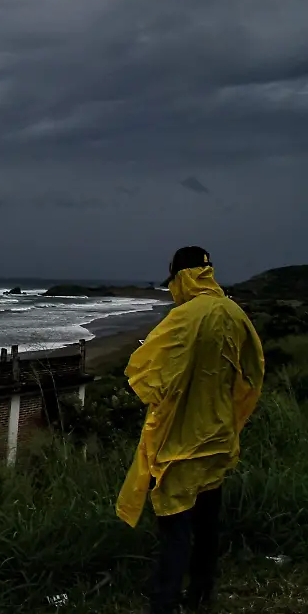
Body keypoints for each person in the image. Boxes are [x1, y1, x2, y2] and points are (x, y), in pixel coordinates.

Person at [116, 247, 264, 613]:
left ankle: (165, 603)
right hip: (218, 436)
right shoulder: (234, 312)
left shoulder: (183, 318)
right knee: (208, 525)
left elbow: (144, 376)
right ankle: (201, 594)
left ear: (181, 276)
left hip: (179, 445)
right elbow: (254, 372)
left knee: (175, 531)